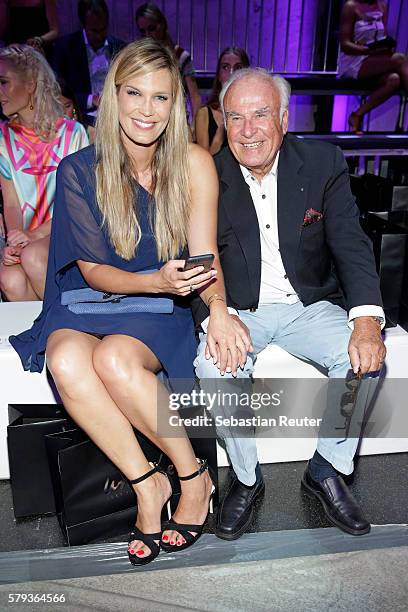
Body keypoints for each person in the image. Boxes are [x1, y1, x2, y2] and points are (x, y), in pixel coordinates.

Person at [10, 39, 249, 565]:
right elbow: (93, 272)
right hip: (91, 297)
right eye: (134, 93)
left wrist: (216, 309)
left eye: (161, 98)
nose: (146, 109)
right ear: (112, 96)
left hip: (158, 309)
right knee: (67, 357)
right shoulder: (79, 168)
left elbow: (204, 257)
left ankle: (192, 477)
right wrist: (157, 281)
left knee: (114, 359)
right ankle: (148, 486)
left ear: (175, 106)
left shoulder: (192, 163)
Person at [193, 67, 386, 541]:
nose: (247, 130)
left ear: (282, 118)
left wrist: (366, 322)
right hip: (241, 307)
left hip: (309, 304)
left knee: (362, 360)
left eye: (260, 115)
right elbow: (195, 254)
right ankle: (244, 478)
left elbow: (351, 244)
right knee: (214, 368)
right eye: (235, 117)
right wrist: (219, 315)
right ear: (222, 120)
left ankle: (326, 467)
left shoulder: (321, 163)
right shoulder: (208, 176)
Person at [0, 44, 89, 301]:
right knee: (10, 277)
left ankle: (64, 327)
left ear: (30, 84)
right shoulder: (4, 139)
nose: (0, 91)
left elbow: (77, 207)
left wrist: (34, 236)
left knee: (34, 256)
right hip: (28, 239)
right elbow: (12, 204)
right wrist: (16, 241)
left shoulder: (73, 134)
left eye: (4, 82)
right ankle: (40, 338)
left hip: (66, 235)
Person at [338, 0, 408, 134]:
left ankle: (357, 115)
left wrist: (384, 47)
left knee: (394, 80)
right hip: (353, 60)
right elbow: (345, 44)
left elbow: (383, 37)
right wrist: (368, 51)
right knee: (401, 59)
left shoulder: (382, 6)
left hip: (373, 58)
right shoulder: (351, 6)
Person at [52, 0, 125, 120]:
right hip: (81, 115)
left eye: (103, 29)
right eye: (94, 31)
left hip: (115, 113)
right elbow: (57, 90)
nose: (100, 36)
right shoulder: (65, 48)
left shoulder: (119, 47)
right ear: (83, 25)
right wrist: (92, 100)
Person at [135, 2, 201, 128]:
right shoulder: (141, 58)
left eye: (152, 28)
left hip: (177, 121)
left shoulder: (180, 56)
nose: (148, 36)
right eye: (143, 32)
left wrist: (194, 127)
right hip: (149, 119)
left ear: (162, 25)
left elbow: (195, 96)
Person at [195, 46, 250, 155]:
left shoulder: (253, 114)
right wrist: (220, 131)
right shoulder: (204, 114)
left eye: (238, 68)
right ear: (219, 75)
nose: (231, 73)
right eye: (225, 67)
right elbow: (203, 164)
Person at [58, 78, 96, 144]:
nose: (63, 113)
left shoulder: (92, 128)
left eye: (67, 106)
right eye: (57, 108)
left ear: (74, 104)